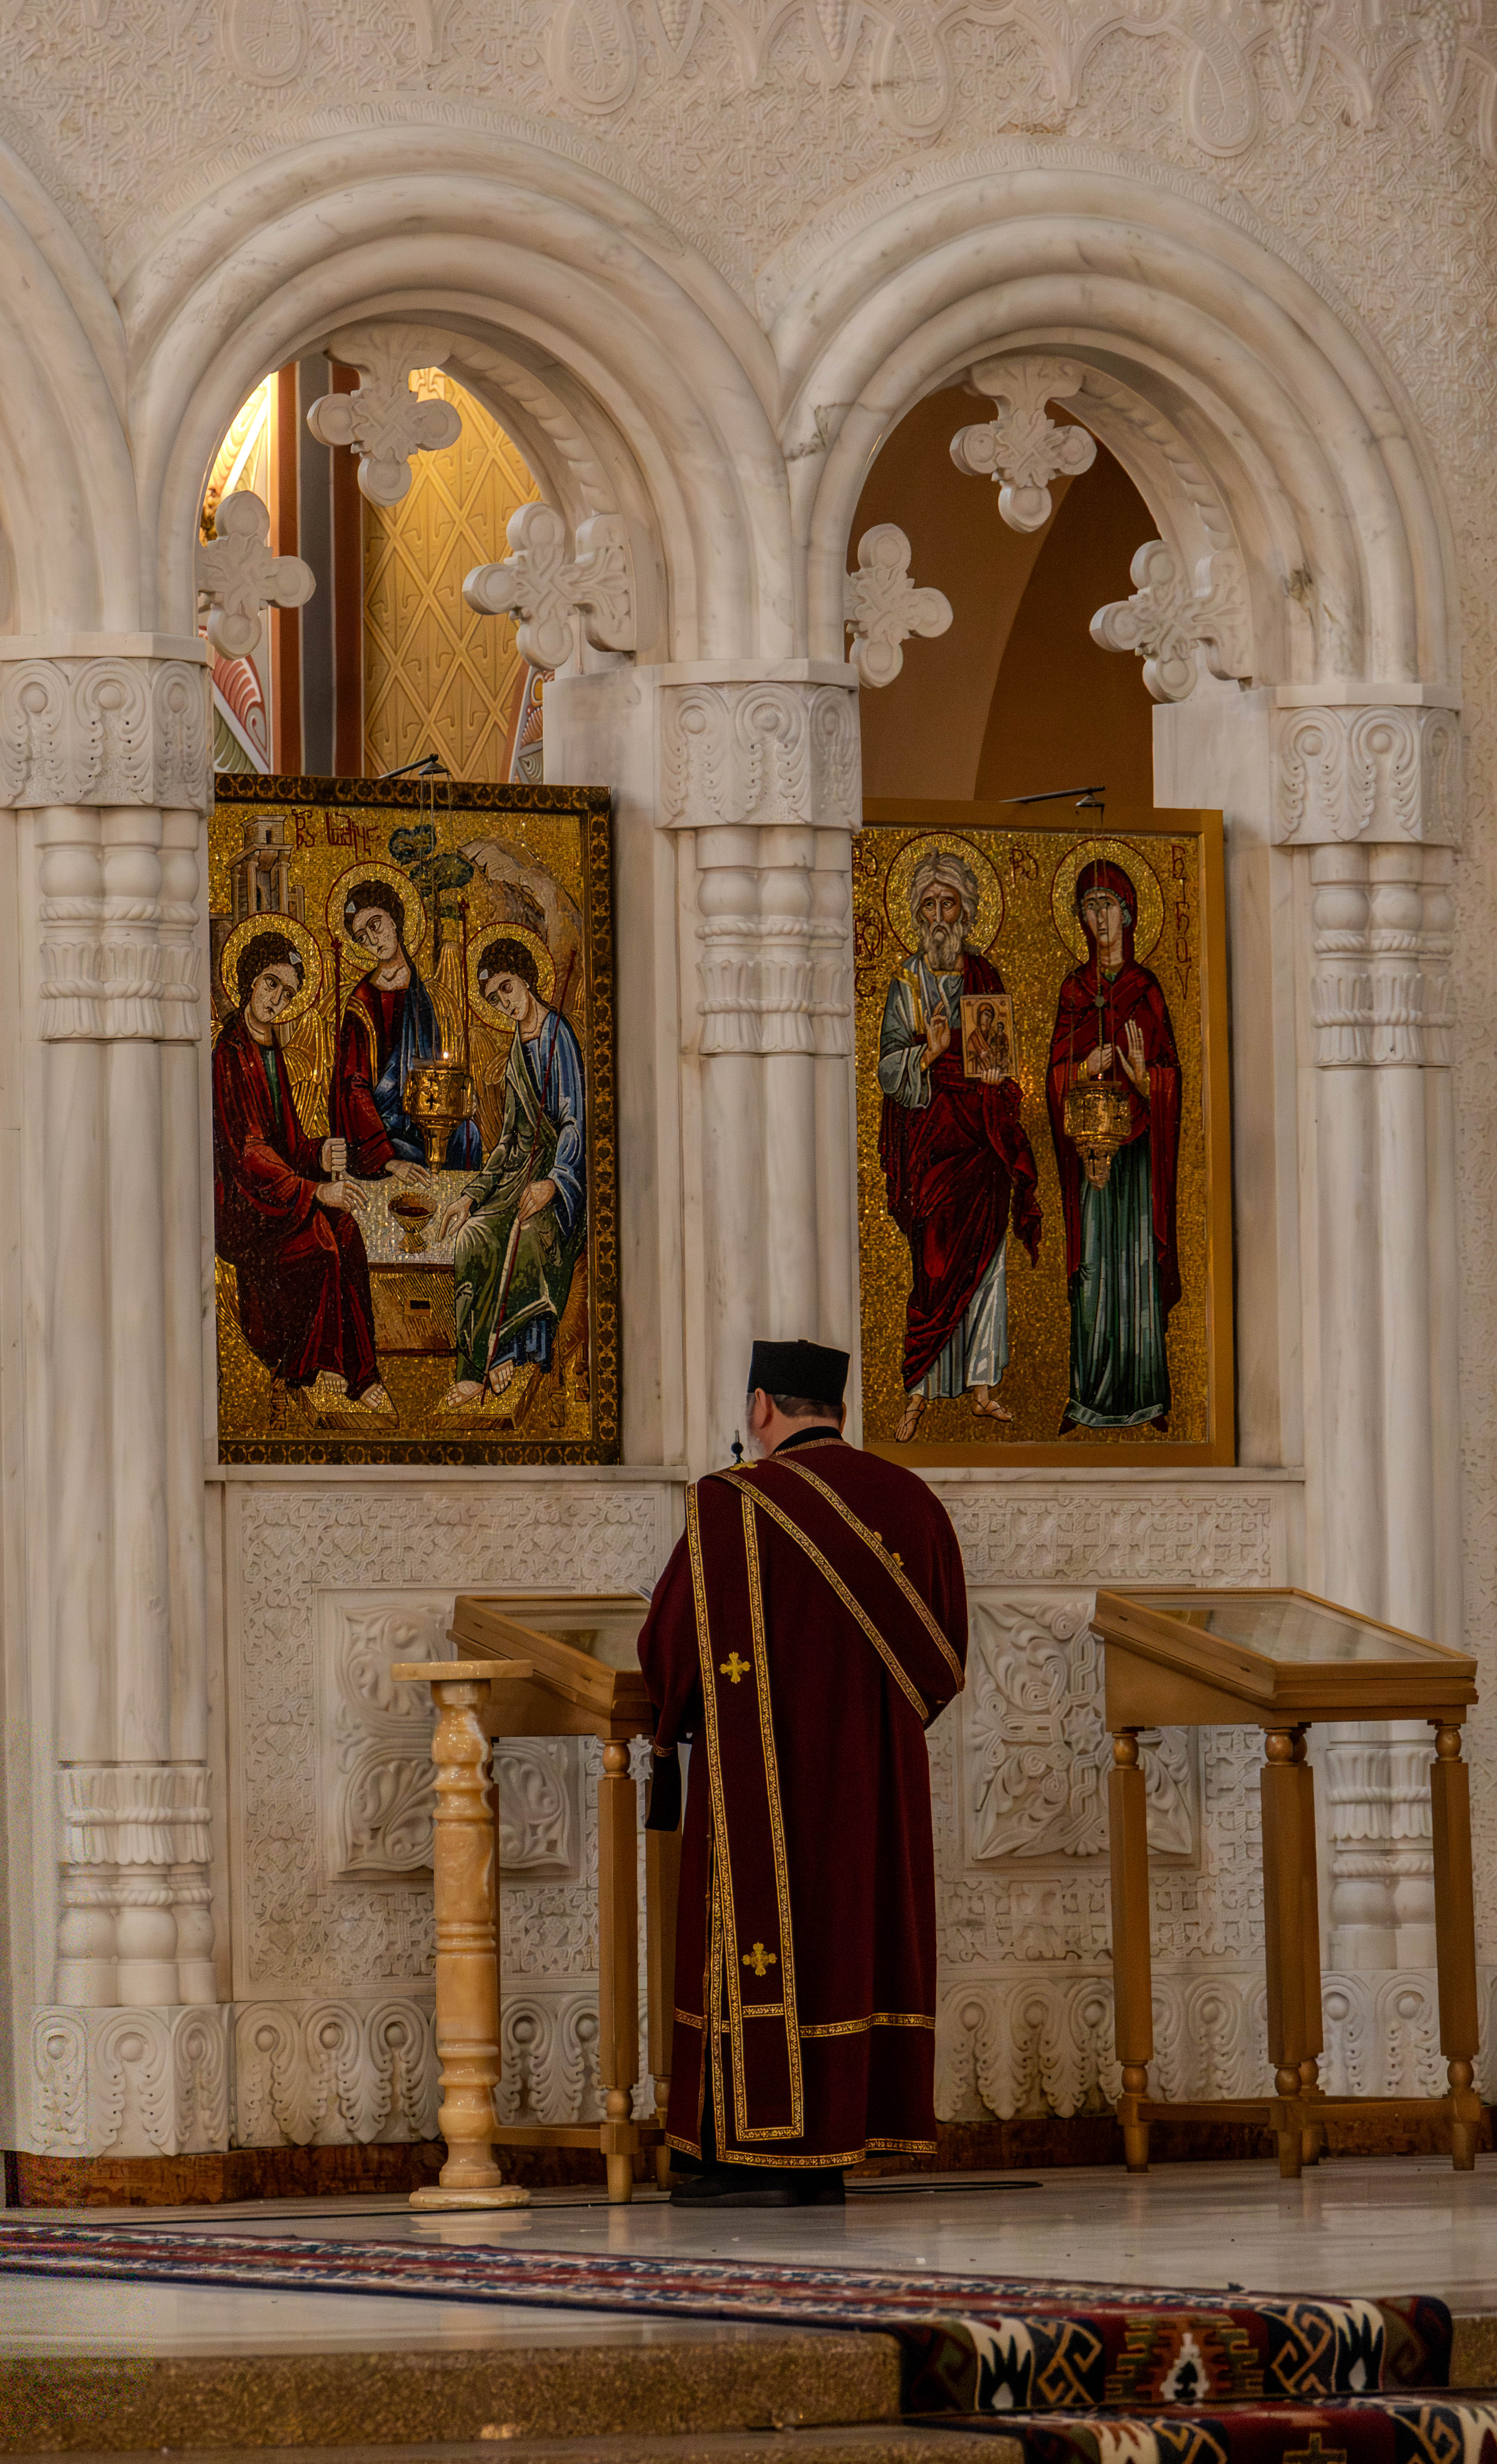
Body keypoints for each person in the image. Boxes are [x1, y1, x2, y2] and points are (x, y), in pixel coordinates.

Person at [638, 1339, 968, 2206]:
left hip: (763, 1778)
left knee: (752, 1945)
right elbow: (944, 1663)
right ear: (842, 1412)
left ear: (759, 1407)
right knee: (858, 1942)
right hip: (878, 1785)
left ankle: (748, 2152)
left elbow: (670, 1650)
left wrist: (676, 1722)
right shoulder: (914, 1502)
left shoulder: (730, 1504)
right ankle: (837, 2145)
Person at [878, 850, 1040, 1436]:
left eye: (950, 904)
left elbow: (999, 1055)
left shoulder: (985, 976)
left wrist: (997, 1076)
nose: (940, 916)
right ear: (918, 914)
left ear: (967, 913)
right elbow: (886, 1067)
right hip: (931, 1141)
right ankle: (919, 1388)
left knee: (988, 1265)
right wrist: (931, 1052)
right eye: (929, 906)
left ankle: (981, 1385)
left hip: (981, 1139)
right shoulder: (906, 979)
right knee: (935, 1266)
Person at [212, 927, 392, 1416]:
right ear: (249, 981)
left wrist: (319, 1152)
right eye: (271, 984)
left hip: (279, 1191)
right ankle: (320, 1370)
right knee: (322, 1243)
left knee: (348, 1231)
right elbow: (249, 1154)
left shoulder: (266, 1049)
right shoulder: (229, 1056)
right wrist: (315, 1190)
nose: (276, 998)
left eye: (287, 992)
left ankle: (362, 1373)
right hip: (248, 1207)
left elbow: (284, 1144)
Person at [1045, 859, 1182, 1432]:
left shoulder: (1145, 989)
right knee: (1097, 1266)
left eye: (1108, 905)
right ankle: (1088, 1397)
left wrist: (1136, 1068)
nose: (1099, 917)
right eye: (1089, 907)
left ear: (1128, 914)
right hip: (1091, 1159)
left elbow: (1171, 1075)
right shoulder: (1074, 991)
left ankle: (1146, 1397)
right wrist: (1083, 1064)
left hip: (1139, 1155)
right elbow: (1051, 1075)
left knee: (1136, 1267)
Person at [435, 938, 585, 1406]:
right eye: (496, 998)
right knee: (473, 1236)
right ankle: (474, 1366)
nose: (505, 1003)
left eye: (507, 988)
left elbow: (573, 1122)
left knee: (527, 1233)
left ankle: (509, 1352)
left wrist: (553, 1183)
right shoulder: (516, 1048)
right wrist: (471, 1197)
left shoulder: (559, 1038)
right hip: (518, 1174)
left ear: (526, 979)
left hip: (558, 1182)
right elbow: (508, 1140)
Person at [328, 881, 481, 1177]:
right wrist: (386, 1158)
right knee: (412, 1153)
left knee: (469, 1136)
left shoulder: (426, 992)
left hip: (430, 1108)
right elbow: (352, 1085)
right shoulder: (362, 1002)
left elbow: (443, 1062)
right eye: (362, 937)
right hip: (385, 1125)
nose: (373, 940)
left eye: (376, 925)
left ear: (395, 920)